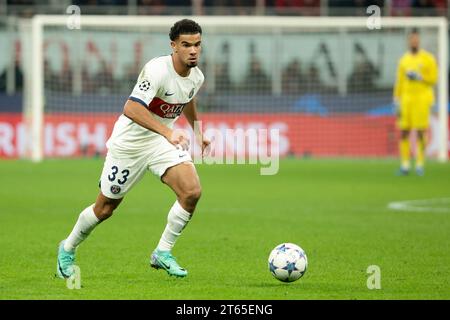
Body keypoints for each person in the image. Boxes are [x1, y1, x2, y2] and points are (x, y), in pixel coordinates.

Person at [56, 19, 210, 279]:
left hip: (160, 143)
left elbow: (187, 97)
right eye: (186, 45)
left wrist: (198, 131)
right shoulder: (156, 70)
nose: (193, 50)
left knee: (192, 191)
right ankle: (67, 248)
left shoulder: (197, 76)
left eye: (197, 45)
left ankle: (162, 252)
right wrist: (168, 131)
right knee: (105, 208)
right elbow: (132, 107)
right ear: (173, 46)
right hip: (129, 146)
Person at [393, 28, 438, 176]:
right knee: (404, 131)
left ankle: (419, 163)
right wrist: (396, 99)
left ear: (419, 40)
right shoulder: (403, 60)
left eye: (416, 39)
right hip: (406, 100)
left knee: (420, 131)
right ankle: (405, 165)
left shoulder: (428, 59)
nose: (414, 41)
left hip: (422, 100)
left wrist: (420, 77)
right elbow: (399, 81)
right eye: (412, 39)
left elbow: (433, 79)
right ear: (408, 41)